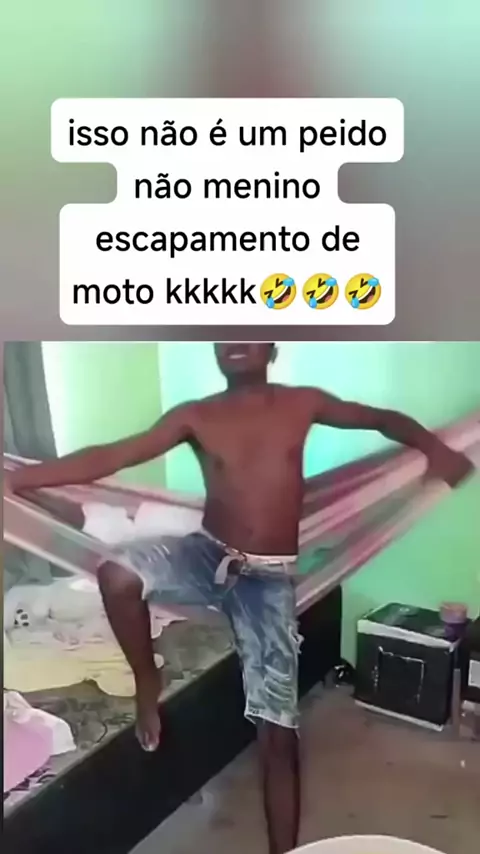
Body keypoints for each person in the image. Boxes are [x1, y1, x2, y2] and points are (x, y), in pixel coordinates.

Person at [5, 343, 474, 854]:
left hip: (265, 581)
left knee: (278, 733)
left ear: (272, 348)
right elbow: (110, 456)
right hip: (205, 554)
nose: (235, 340)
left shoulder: (302, 402)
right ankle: (147, 679)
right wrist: (18, 478)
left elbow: (381, 419)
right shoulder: (195, 415)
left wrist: (436, 450)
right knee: (117, 574)